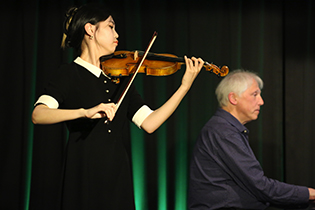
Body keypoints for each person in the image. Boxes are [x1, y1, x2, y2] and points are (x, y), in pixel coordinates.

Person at [32, 3, 204, 210]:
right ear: (90, 30)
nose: (117, 34)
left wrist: (184, 87)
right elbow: (38, 114)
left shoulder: (121, 79)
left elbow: (150, 123)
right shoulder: (69, 74)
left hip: (118, 173)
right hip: (83, 171)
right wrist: (84, 112)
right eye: (110, 27)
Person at [188, 69, 315, 210]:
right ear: (233, 98)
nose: (261, 101)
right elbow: (261, 187)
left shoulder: (224, 128)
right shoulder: (223, 132)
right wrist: (309, 194)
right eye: (255, 95)